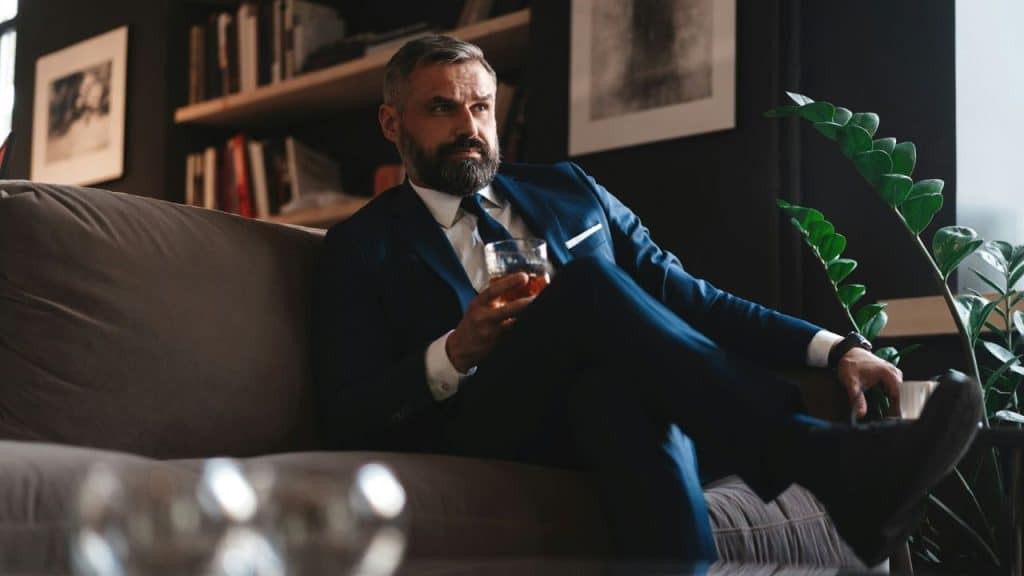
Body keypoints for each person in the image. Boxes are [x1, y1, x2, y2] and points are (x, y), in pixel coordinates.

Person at [312, 35, 980, 565]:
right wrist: (455, 353)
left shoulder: (569, 191)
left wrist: (836, 349)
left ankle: (791, 486)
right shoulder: (359, 248)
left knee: (613, 393)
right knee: (587, 287)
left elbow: (690, 299)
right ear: (392, 122)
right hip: (484, 425)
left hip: (589, 411)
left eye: (481, 107)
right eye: (442, 108)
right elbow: (348, 414)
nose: (469, 126)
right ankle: (813, 455)